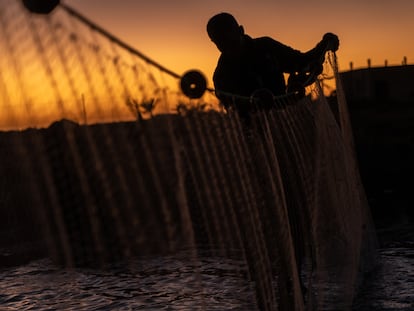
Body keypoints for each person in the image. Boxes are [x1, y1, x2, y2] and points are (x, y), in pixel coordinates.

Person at [207, 12, 339, 113]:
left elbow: (302, 61)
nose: (228, 47)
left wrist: (325, 44)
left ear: (241, 30)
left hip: (289, 124)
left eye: (230, 40)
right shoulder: (222, 76)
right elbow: (237, 113)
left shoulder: (266, 47)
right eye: (220, 42)